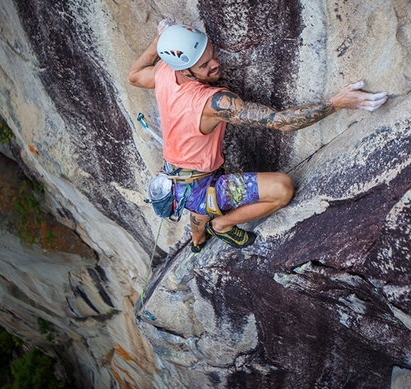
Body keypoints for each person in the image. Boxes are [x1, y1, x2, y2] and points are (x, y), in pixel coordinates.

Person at [128, 21, 388, 251]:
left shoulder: (165, 72)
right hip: (199, 184)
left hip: (177, 177)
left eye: (212, 55)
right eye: (205, 65)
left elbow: (135, 75)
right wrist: (337, 103)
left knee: (199, 212)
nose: (215, 64)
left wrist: (159, 40)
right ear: (186, 71)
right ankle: (221, 225)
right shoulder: (212, 102)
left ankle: (198, 240)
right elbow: (280, 122)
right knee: (282, 189)